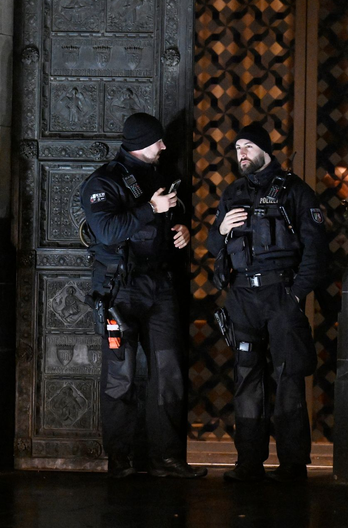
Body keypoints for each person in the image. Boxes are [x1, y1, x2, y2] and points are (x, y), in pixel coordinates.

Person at [80, 112, 206, 479]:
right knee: (121, 375)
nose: (164, 147)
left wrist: (182, 227)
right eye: (157, 141)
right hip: (119, 289)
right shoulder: (103, 181)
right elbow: (106, 230)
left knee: (168, 373)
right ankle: (121, 461)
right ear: (138, 143)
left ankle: (167, 459)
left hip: (161, 287)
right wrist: (151, 208)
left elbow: (176, 212)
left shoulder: (162, 175)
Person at [207, 124, 328, 483]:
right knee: (246, 378)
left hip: (280, 295)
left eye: (247, 146)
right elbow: (214, 247)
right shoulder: (232, 193)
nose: (241, 152)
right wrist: (223, 230)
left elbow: (316, 254)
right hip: (242, 296)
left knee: (289, 377)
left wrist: (294, 296)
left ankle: (292, 465)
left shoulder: (296, 192)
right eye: (237, 147)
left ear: (265, 150)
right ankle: (249, 462)